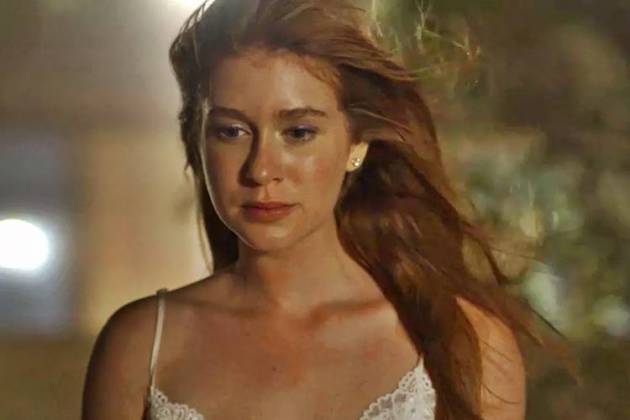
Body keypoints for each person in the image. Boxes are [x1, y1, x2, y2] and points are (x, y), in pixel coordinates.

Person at [82, 1, 568, 419]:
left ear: (356, 144)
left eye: (299, 133)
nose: (261, 169)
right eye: (231, 131)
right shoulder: (142, 346)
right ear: (198, 140)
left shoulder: (465, 342)